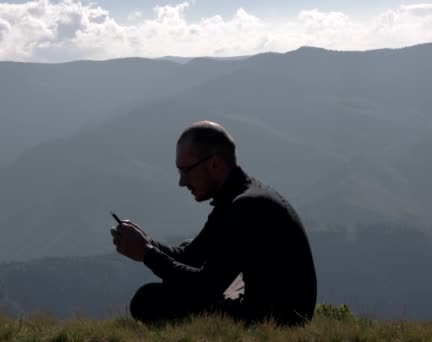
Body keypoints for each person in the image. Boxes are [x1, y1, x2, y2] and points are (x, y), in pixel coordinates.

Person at [110, 120, 317, 326]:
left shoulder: (246, 207)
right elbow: (192, 255)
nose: (181, 182)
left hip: (275, 320)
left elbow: (205, 288)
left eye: (186, 170)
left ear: (215, 163)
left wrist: (146, 253)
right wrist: (146, 244)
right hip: (271, 310)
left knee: (149, 300)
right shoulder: (237, 197)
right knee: (156, 293)